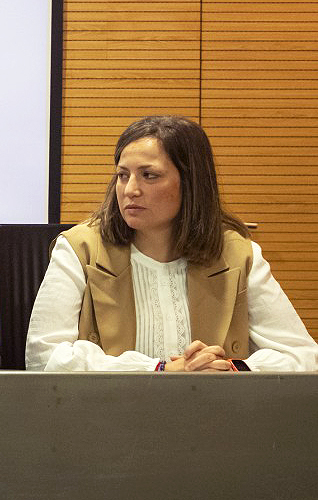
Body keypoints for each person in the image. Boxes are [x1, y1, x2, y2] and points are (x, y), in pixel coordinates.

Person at [26, 116, 318, 371]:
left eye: (149, 175)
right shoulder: (79, 249)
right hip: (108, 419)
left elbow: (304, 356)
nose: (131, 190)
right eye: (122, 175)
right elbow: (44, 358)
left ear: (190, 183)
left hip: (213, 418)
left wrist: (229, 369)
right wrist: (158, 369)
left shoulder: (237, 254)